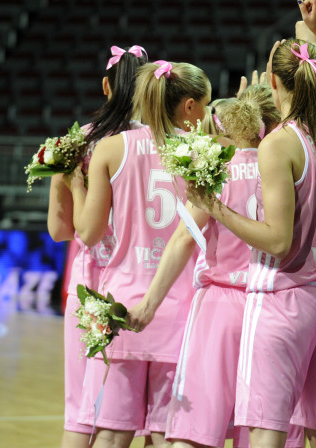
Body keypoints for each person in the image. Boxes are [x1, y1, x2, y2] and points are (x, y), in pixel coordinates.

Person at [186, 2, 316, 447]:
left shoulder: (279, 143)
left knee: (267, 427)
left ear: (274, 82)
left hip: (286, 298)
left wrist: (216, 207)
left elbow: (278, 241)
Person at [64, 60, 211, 448]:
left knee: (111, 434)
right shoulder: (206, 153)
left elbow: (88, 232)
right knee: (168, 434)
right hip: (183, 308)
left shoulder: (111, 148)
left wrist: (75, 187)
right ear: (189, 106)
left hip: (120, 304)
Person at [125, 84, 282, 448]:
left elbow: (182, 239)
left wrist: (149, 304)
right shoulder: (287, 168)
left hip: (219, 308)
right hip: (271, 307)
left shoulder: (217, 170)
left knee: (195, 435)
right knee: (263, 433)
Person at [46, 44, 147, 448]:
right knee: (136, 419)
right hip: (147, 289)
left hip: (89, 287)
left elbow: (60, 230)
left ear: (106, 85)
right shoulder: (165, 144)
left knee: (81, 412)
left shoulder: (77, 142)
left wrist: (66, 178)